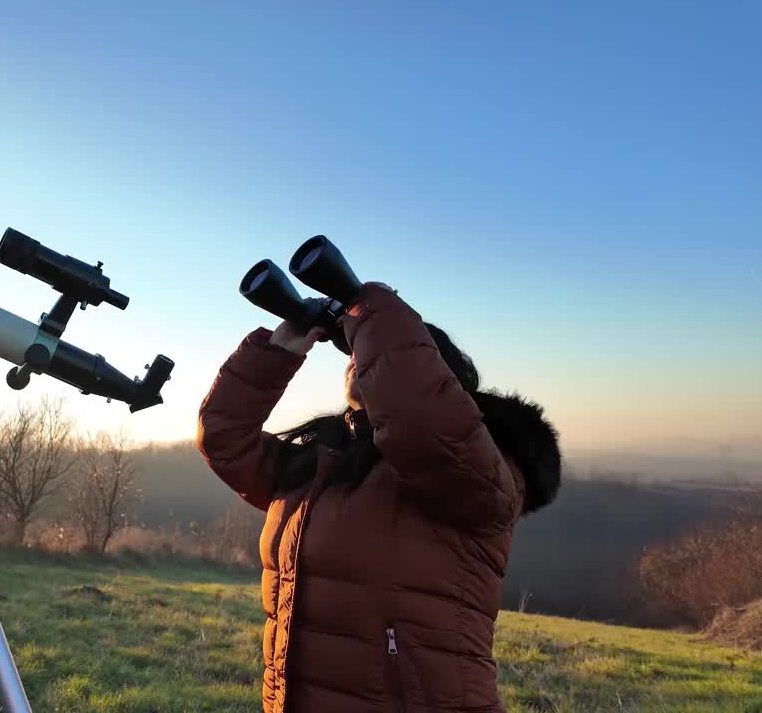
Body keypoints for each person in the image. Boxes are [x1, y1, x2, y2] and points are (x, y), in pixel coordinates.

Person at [196, 282, 561, 713]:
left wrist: (365, 303)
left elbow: (422, 424)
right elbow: (223, 438)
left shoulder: (478, 474)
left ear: (434, 379)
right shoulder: (322, 464)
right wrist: (279, 352)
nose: (356, 360)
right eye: (354, 353)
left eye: (367, 353)